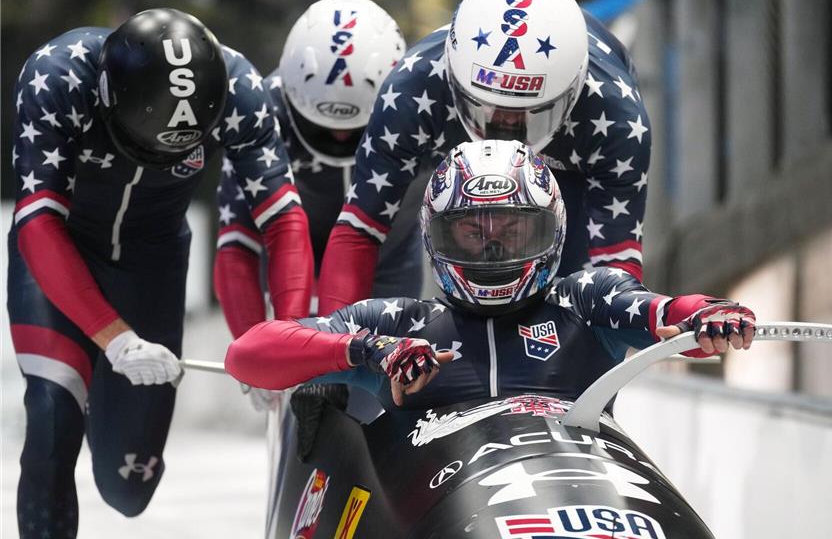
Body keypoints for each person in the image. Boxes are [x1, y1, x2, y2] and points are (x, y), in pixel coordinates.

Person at [8, 8, 313, 539]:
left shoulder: (240, 88)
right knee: (53, 417)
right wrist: (112, 336)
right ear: (106, 96)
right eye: (143, 145)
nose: (156, 159)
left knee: (128, 490)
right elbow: (36, 219)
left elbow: (284, 219)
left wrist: (284, 341)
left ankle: (99, 392)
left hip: (153, 264)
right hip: (60, 248)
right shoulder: (58, 74)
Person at [226, 140, 755, 412]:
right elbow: (246, 356)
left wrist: (706, 317)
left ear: (553, 231)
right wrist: (369, 351)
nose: (495, 247)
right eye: (472, 234)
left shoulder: (587, 298)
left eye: (515, 231)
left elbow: (663, 315)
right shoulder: (397, 326)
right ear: (438, 237)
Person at [316, 0, 652, 317]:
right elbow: (359, 229)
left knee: (567, 292)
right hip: (450, 146)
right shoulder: (411, 90)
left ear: (572, 90)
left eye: (528, 112)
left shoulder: (617, 117)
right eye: (488, 107)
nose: (506, 124)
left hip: (569, 170)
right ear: (454, 78)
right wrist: (334, 343)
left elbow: (614, 270)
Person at [214, 0, 410, 342]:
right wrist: (257, 349)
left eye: (356, 130)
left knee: (378, 389)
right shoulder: (259, 108)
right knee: (293, 366)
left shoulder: (415, 104)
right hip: (286, 255)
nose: (339, 135)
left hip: (387, 257)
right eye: (322, 126)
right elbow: (236, 241)